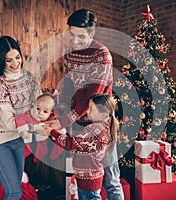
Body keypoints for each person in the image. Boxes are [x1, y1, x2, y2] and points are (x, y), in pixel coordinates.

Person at [46, 8, 124, 200]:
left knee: (111, 181)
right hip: (79, 125)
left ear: (92, 33)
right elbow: (68, 89)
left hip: (101, 124)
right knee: (85, 179)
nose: (75, 41)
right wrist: (59, 113)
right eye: (71, 35)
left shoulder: (101, 55)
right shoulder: (70, 54)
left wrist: (63, 121)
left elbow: (93, 96)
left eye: (80, 36)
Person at [0, 35, 41, 200]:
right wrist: (33, 122)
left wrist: (50, 107)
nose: (15, 63)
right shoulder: (0, 83)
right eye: (9, 60)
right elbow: (9, 121)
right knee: (13, 192)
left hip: (18, 140)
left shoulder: (29, 78)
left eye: (17, 57)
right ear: (1, 61)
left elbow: (40, 103)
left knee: (18, 191)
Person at [43, 94, 119, 200]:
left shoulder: (95, 129)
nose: (87, 112)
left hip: (88, 179)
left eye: (91, 109)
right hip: (88, 178)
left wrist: (53, 132)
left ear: (103, 114)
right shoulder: (100, 127)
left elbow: (72, 144)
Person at [15, 93, 65, 162]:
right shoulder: (28, 115)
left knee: (44, 148)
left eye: (45, 111)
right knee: (23, 150)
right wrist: (23, 130)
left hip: (43, 141)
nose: (40, 113)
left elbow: (59, 125)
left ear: (50, 113)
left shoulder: (51, 119)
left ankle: (44, 156)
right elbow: (19, 118)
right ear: (34, 105)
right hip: (27, 142)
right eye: (38, 108)